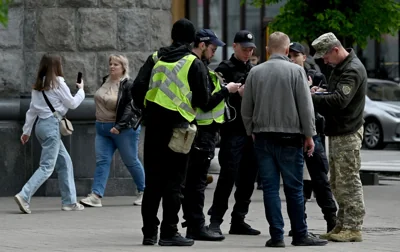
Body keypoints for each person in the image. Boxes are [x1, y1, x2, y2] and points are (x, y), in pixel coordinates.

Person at [241, 31, 328, 247]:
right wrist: (309, 135)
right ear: (288, 50)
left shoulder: (255, 72)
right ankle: (299, 234)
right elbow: (306, 107)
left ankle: (277, 236)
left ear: (268, 49)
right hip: (290, 137)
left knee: (270, 188)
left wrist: (251, 129)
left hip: (263, 137)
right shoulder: (297, 71)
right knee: (294, 188)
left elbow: (246, 108)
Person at [131, 18, 209, 247]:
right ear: (192, 40)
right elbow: (203, 100)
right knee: (175, 182)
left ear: (172, 36)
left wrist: (148, 107)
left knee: (153, 181)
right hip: (180, 130)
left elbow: (136, 88)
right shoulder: (193, 63)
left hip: (154, 127)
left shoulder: (155, 58)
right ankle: (169, 232)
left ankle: (149, 233)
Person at [182, 29, 241, 242]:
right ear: (202, 44)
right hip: (201, 132)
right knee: (196, 182)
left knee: (193, 181)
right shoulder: (196, 65)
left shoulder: (197, 64)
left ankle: (193, 222)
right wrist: (227, 91)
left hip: (201, 131)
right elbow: (205, 103)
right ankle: (196, 226)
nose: (214, 51)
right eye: (212, 47)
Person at [311, 32, 367, 242]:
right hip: (338, 130)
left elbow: (339, 101)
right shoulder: (341, 67)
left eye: (325, 56)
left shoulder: (351, 70)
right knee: (337, 181)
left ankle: (353, 227)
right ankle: (341, 224)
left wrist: (313, 97)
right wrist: (322, 91)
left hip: (347, 132)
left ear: (335, 50)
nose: (324, 61)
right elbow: (334, 94)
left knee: (348, 181)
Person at [15, 53, 85, 214]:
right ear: (57, 66)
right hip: (52, 126)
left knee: (65, 161)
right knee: (47, 167)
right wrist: (81, 90)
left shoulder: (39, 84)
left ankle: (69, 202)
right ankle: (24, 196)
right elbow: (73, 104)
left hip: (40, 126)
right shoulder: (58, 83)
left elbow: (32, 111)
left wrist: (26, 131)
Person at [207, 30, 260, 236]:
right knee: (227, 176)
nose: (248, 52)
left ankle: (239, 219)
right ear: (235, 46)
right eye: (245, 49)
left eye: (251, 49)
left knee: (248, 178)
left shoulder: (254, 70)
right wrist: (235, 93)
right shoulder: (223, 69)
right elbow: (215, 98)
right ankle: (215, 220)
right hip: (232, 131)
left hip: (251, 131)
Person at [80, 54, 145, 208]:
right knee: (102, 161)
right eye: (110, 63)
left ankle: (144, 191)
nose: (112, 66)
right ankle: (95, 196)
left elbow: (132, 108)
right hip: (102, 129)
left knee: (131, 160)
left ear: (123, 67)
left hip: (123, 130)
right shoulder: (105, 81)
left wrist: (119, 126)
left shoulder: (128, 85)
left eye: (116, 64)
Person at [288, 42, 337, 234]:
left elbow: (326, 102)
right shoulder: (286, 76)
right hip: (292, 133)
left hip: (313, 133)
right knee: (297, 183)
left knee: (320, 179)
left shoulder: (315, 76)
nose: (292, 59)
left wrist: (312, 92)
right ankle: (299, 224)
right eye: (289, 55)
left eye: (296, 55)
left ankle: (331, 220)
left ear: (304, 56)